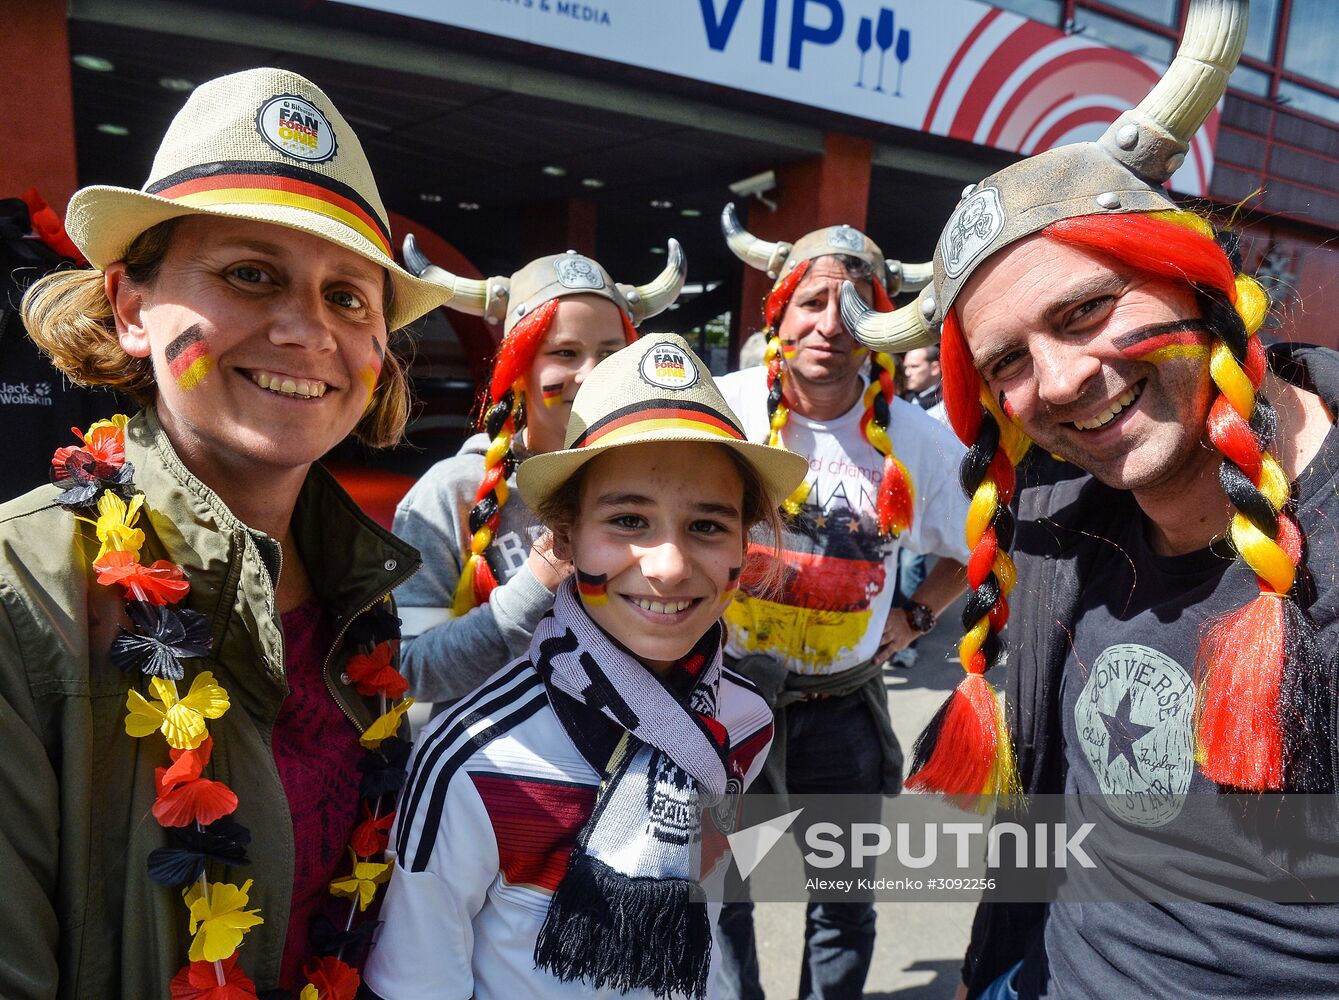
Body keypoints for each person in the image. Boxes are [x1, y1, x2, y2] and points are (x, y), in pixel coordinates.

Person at [844, 1, 1339, 997]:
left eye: (1087, 309)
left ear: (1194, 283)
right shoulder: (1052, 517)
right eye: (1009, 362)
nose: (1062, 380)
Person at [1, 68, 450, 998]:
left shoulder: (358, 598)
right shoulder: (21, 597)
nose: (305, 331)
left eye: (347, 297)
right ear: (131, 309)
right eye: (251, 274)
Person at [361, 334, 808, 999]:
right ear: (564, 540)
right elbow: (417, 984)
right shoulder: (473, 757)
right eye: (628, 520)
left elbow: (706, 925)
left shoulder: (745, 720)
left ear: (746, 545)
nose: (668, 566)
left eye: (708, 527)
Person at [713, 207, 971, 999]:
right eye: (811, 302)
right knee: (726, 895)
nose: (831, 324)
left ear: (882, 324)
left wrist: (914, 615)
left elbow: (967, 553)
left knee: (841, 900)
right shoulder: (719, 412)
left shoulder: (921, 442)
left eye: (854, 305)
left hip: (842, 713)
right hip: (720, 707)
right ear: (778, 314)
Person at [391, 241, 685, 703]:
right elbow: (410, 671)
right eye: (565, 353)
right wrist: (533, 588)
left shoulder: (656, 483)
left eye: (609, 355)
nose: (590, 375)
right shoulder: (450, 492)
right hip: (489, 768)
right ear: (518, 368)